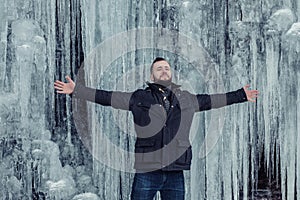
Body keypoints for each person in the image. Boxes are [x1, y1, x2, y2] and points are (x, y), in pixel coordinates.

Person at [54, 57, 259, 200]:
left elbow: (213, 100)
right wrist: (76, 91)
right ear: (152, 76)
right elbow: (107, 97)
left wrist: (241, 95)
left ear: (171, 73)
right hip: (147, 170)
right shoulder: (139, 97)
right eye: (159, 68)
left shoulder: (186, 98)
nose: (164, 71)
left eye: (167, 68)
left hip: (175, 170)